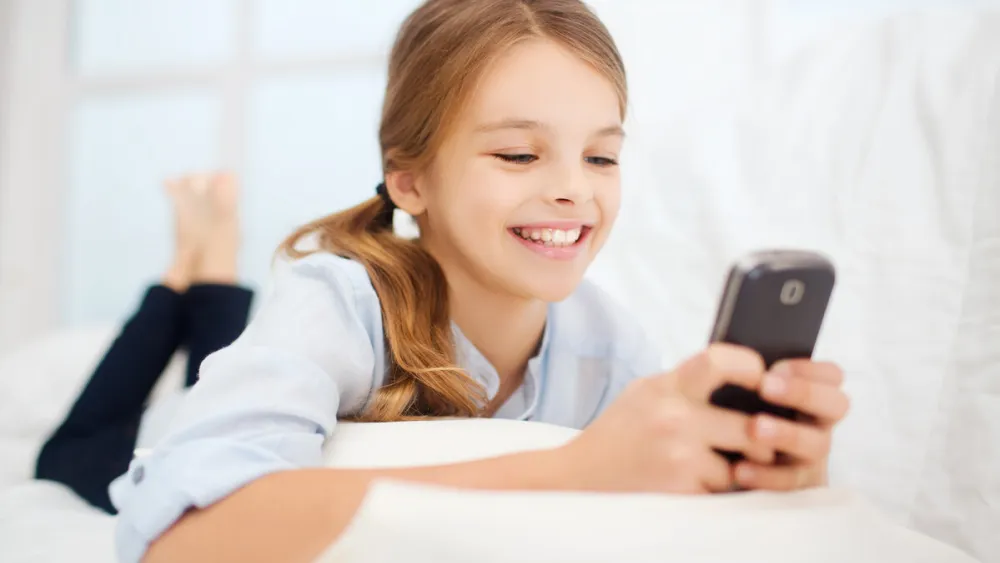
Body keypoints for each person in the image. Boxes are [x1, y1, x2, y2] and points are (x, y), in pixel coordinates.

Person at [113, 1, 851, 562]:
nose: (573, 189)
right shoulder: (336, 303)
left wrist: (760, 469)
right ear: (410, 179)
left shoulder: (612, 349)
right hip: (130, 446)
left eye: (601, 157)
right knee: (89, 437)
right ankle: (198, 267)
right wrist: (573, 469)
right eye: (519, 155)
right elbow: (175, 537)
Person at [34, 173, 252, 514]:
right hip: (139, 464)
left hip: (102, 461)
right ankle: (196, 256)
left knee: (204, 405)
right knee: (208, 405)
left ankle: (190, 258)